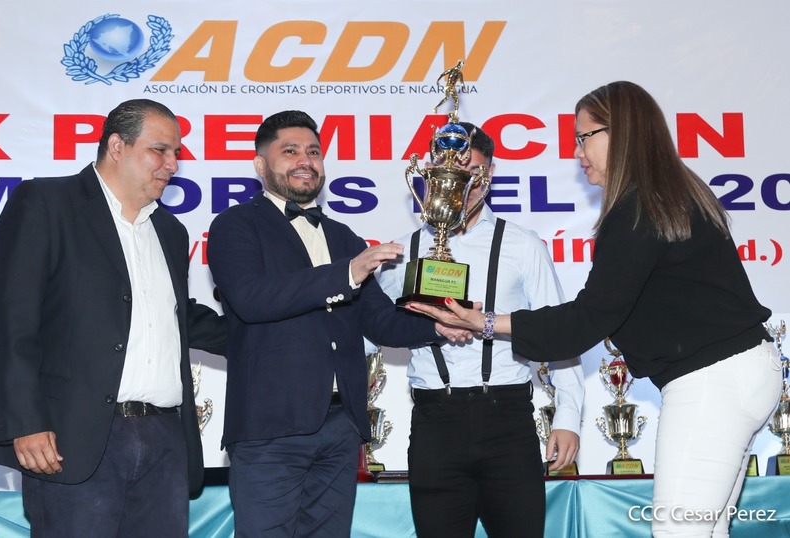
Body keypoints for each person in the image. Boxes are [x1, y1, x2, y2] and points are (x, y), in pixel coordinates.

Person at [408, 81, 782, 537]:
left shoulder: (638, 208)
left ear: (621, 133)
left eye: (584, 138)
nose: (577, 153)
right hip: (740, 371)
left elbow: (587, 319)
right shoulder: (668, 193)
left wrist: (484, 321)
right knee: (707, 529)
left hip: (711, 380)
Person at [206, 110, 470, 537]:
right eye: (290, 151)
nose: (305, 160)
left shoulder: (344, 237)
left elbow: (380, 322)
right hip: (270, 428)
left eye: (313, 152)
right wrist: (347, 273)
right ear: (260, 164)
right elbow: (253, 300)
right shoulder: (235, 225)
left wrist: (439, 324)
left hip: (340, 427)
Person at [0, 99, 226, 537]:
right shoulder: (46, 202)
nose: (173, 164)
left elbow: (178, 318)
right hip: (73, 437)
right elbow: (11, 318)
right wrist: (26, 422)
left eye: (176, 153)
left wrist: (278, 331)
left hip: (165, 439)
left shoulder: (171, 231)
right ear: (117, 146)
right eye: (160, 150)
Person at [375, 122, 584, 538]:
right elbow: (374, 331)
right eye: (450, 170)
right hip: (434, 422)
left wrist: (568, 415)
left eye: (473, 172)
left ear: (490, 174)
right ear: (431, 172)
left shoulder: (523, 245)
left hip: (507, 419)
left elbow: (557, 332)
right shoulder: (401, 251)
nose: (462, 184)